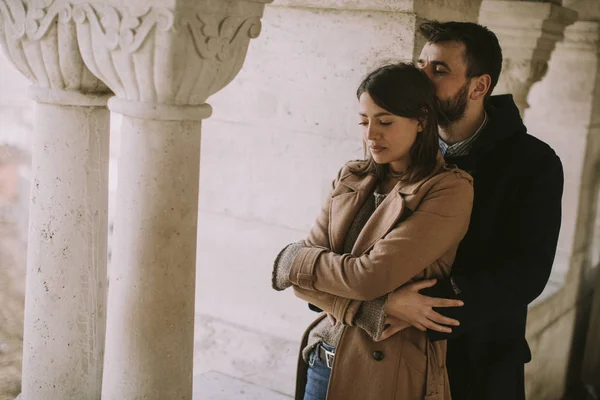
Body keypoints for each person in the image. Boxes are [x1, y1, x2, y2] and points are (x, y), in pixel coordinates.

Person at [366, 22, 564, 400]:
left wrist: (419, 308)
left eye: (438, 70)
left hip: (475, 368)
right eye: (421, 64)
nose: (421, 78)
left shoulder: (534, 163)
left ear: (479, 86)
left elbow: (524, 272)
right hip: (383, 356)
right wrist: (379, 303)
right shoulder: (393, 145)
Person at [272, 62, 474, 400]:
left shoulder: (449, 189)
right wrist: (377, 308)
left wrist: (295, 260)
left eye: (385, 122)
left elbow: (369, 277)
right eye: (364, 121)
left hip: (387, 372)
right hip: (323, 357)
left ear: (421, 121)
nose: (370, 135)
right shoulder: (351, 176)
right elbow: (301, 285)